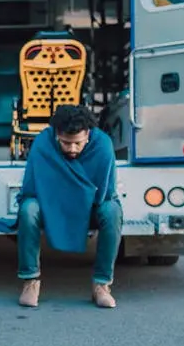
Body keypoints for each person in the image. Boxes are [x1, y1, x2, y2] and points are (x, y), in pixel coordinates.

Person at [15, 104, 123, 309]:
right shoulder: (43, 142)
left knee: (112, 210)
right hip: (51, 205)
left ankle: (102, 284)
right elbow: (31, 187)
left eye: (78, 143)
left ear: (88, 135)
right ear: (56, 135)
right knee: (28, 209)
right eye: (66, 143)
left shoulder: (103, 144)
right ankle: (30, 281)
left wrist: (78, 201)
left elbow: (105, 193)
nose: (72, 148)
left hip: (90, 206)